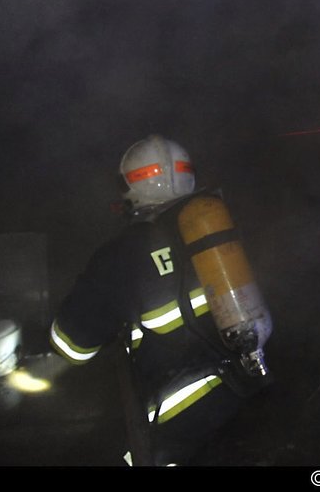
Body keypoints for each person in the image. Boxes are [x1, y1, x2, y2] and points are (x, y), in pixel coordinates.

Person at [49, 134, 272, 466]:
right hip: (248, 395)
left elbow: (71, 346)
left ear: (130, 187)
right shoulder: (219, 225)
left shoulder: (124, 254)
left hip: (183, 421)